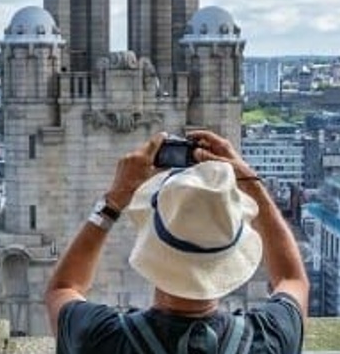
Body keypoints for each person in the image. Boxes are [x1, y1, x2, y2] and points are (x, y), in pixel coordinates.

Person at [45, 130, 308, 354]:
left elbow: (63, 288)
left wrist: (113, 202)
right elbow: (292, 279)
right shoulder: (270, 338)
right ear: (231, 252)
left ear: (153, 245)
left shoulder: (100, 338)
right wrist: (252, 185)